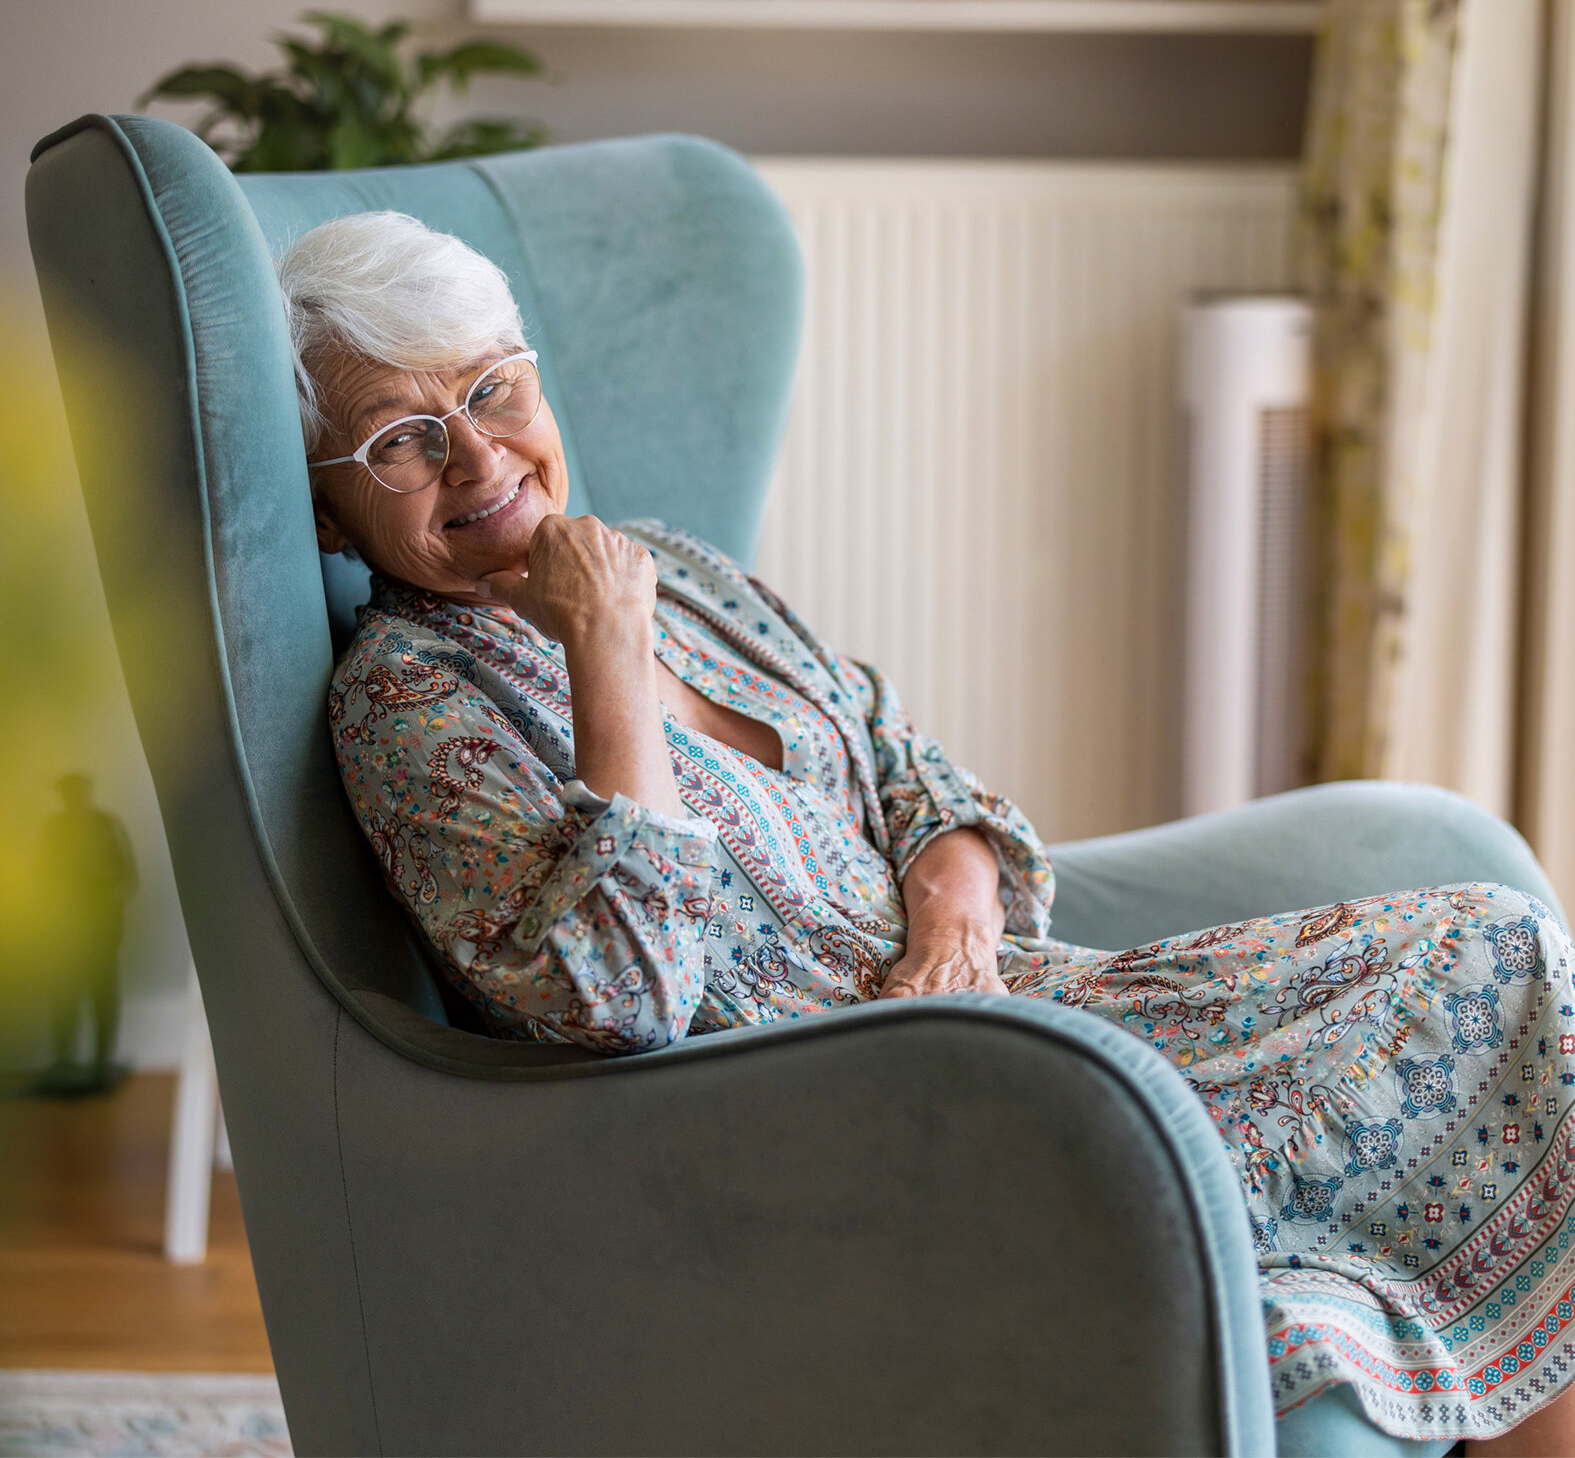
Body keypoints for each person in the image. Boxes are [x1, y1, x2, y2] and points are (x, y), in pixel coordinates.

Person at [284, 210, 1575, 1454]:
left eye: (495, 389)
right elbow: (617, 997)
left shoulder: (671, 565)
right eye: (400, 437)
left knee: (1497, 950)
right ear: (330, 512)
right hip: (874, 1118)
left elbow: (916, 772)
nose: (475, 455)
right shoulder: (406, 701)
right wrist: (603, 650)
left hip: (1024, 1007)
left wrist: (953, 929)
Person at [35, 772, 136, 1095]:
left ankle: (101, 1059)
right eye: (69, 792)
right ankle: (64, 1058)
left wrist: (98, 884)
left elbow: (127, 876)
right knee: (64, 991)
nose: (74, 798)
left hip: (102, 925)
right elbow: (41, 876)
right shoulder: (52, 829)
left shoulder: (107, 826)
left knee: (103, 991)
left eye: (79, 791)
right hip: (65, 926)